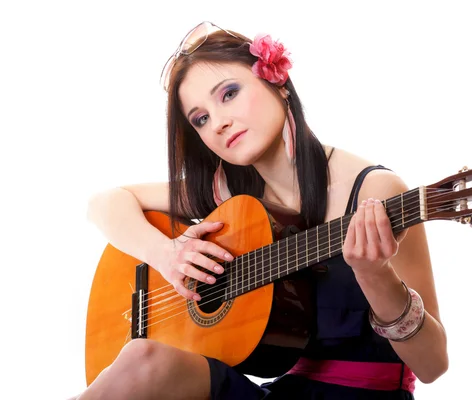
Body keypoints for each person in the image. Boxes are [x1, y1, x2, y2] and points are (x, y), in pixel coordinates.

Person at [76, 21, 448, 400]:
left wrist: (375, 275)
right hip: (280, 393)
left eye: (229, 93)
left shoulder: (375, 192)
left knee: (143, 364)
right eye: (200, 119)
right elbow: (104, 203)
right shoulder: (230, 196)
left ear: (278, 82)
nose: (218, 122)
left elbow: (433, 365)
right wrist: (168, 255)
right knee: (144, 357)